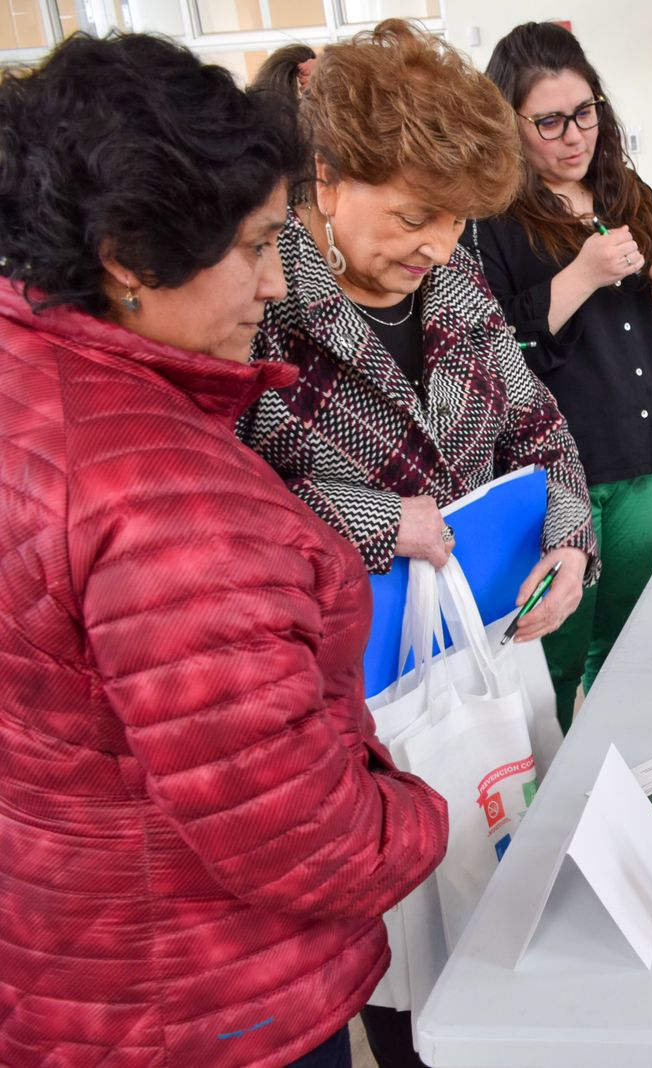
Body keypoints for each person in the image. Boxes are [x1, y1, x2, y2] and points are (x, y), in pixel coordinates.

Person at [0, 34, 446, 1068]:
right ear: (126, 258)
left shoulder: (34, 387)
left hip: (71, 958)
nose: (276, 286)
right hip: (211, 999)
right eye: (251, 248)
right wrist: (427, 817)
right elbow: (297, 831)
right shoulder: (160, 494)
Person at [235, 20, 595, 1065]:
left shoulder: (457, 287)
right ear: (330, 175)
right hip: (349, 701)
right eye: (409, 217)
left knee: (503, 897)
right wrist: (369, 521)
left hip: (484, 663)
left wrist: (569, 543)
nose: (432, 246)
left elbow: (541, 431)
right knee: (403, 962)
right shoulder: (259, 307)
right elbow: (218, 511)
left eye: (452, 223)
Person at [479, 20, 652, 728]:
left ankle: (620, 764)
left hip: (634, 448)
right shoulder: (492, 218)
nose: (574, 136)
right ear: (510, 124)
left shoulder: (625, 189)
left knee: (631, 634)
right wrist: (580, 274)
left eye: (585, 114)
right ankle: (557, 794)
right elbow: (495, 348)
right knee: (557, 653)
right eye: (549, 121)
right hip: (554, 470)